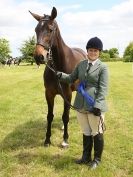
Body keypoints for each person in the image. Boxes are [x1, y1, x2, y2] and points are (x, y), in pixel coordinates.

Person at [56, 37, 109, 169]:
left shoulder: (103, 68)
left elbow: (103, 89)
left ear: (99, 52)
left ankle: (96, 159)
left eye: (95, 50)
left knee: (96, 132)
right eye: (90, 50)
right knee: (86, 131)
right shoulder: (81, 64)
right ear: (87, 51)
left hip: (94, 105)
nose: (92, 52)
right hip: (80, 103)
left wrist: (98, 105)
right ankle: (86, 157)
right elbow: (71, 78)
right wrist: (61, 75)